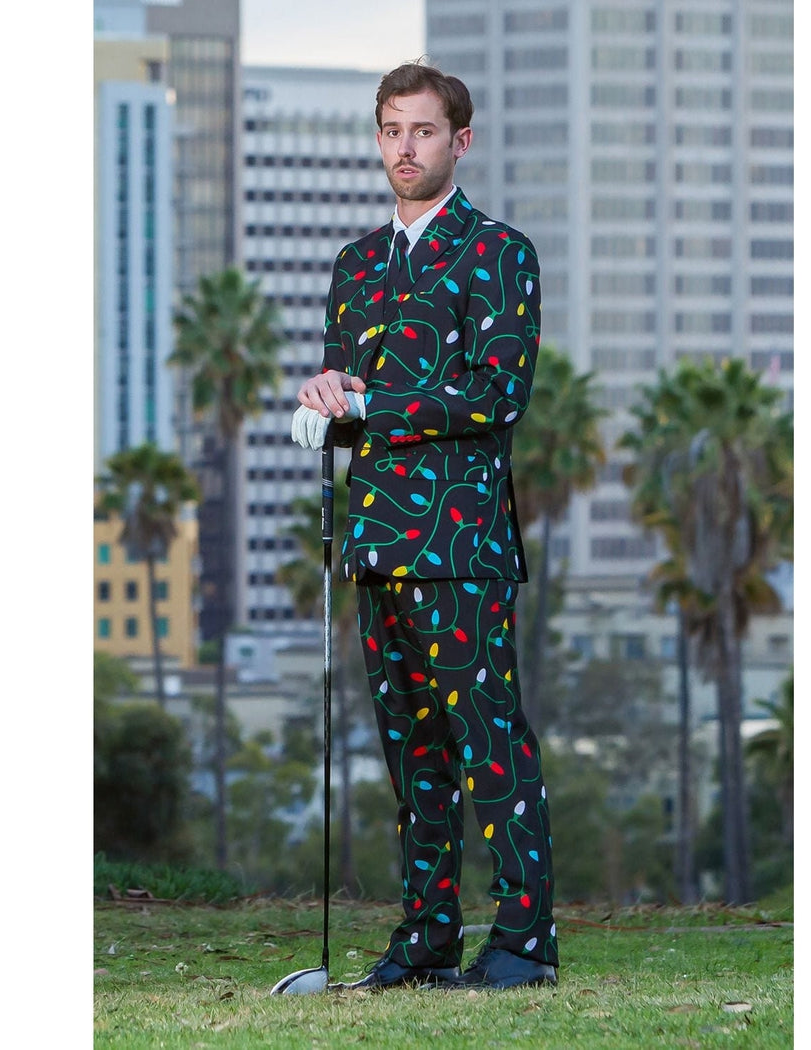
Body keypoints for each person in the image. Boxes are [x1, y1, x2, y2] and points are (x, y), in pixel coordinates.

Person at [291, 60, 558, 991]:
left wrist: (369, 403)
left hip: (460, 544)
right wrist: (325, 400)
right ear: (379, 139)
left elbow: (497, 394)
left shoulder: (499, 253)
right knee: (412, 757)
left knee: (489, 742)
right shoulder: (357, 264)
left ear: (460, 141)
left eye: (425, 131)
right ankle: (426, 940)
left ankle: (524, 943)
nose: (406, 148)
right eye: (392, 130)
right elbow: (347, 389)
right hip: (375, 544)